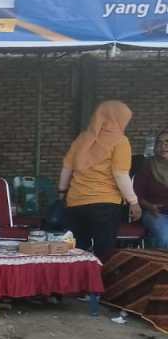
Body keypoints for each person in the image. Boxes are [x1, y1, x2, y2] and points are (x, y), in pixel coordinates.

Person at [58, 100, 141, 262]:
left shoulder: (83, 138)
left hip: (76, 202)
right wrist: (133, 201)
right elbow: (120, 174)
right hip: (105, 204)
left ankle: (79, 277)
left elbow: (66, 168)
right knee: (104, 251)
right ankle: (101, 277)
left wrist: (62, 193)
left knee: (77, 250)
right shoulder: (120, 141)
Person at [135, 129, 168, 248]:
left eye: (167, 142)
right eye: (160, 142)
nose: (163, 146)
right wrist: (150, 206)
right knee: (165, 238)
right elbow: (137, 195)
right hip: (154, 213)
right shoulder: (147, 166)